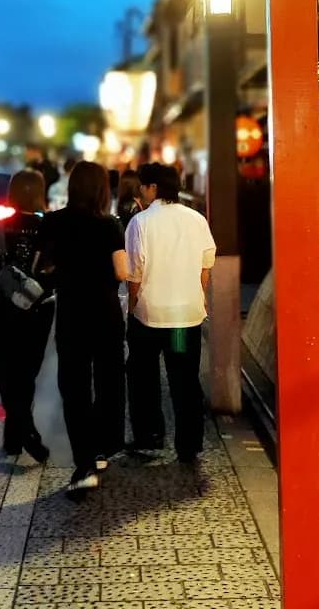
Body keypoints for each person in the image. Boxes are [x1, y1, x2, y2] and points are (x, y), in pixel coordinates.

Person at [43, 160, 128, 491]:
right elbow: (121, 272)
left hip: (71, 315)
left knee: (74, 388)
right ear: (102, 190)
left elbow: (46, 265)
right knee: (109, 382)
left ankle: (84, 464)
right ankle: (103, 448)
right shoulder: (109, 226)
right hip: (105, 315)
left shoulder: (53, 223)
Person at [125, 162, 216, 463]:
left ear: (152, 187)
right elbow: (206, 265)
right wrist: (199, 297)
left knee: (144, 376)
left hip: (149, 318)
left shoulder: (141, 222)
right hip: (181, 321)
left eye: (142, 185)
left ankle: (150, 437)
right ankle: (188, 444)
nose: (141, 190)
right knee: (183, 378)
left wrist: (132, 306)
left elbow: (134, 274)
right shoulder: (196, 219)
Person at [0, 169, 55, 462]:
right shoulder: (50, 224)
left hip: (3, 303)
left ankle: (19, 433)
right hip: (40, 306)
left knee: (3, 367)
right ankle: (22, 431)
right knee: (28, 370)